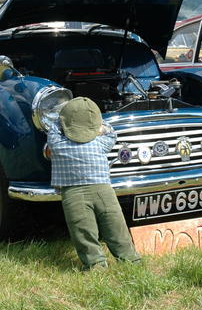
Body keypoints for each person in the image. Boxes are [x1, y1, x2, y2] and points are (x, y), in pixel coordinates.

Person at [47, 97, 141, 270]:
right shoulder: (100, 142)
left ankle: (95, 263)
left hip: (73, 193)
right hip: (103, 190)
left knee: (82, 229)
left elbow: (53, 130)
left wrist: (64, 120)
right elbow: (111, 133)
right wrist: (99, 125)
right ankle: (130, 258)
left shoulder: (58, 144)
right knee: (115, 224)